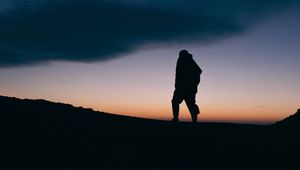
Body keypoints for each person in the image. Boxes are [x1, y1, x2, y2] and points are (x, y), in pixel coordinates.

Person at [171, 50, 202, 123]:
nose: (179, 56)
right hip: (180, 87)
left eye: (181, 55)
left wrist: (193, 85)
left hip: (189, 88)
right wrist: (176, 84)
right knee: (175, 101)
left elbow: (199, 71)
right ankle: (175, 118)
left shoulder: (190, 61)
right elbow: (178, 74)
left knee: (190, 105)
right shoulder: (180, 60)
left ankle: (194, 120)